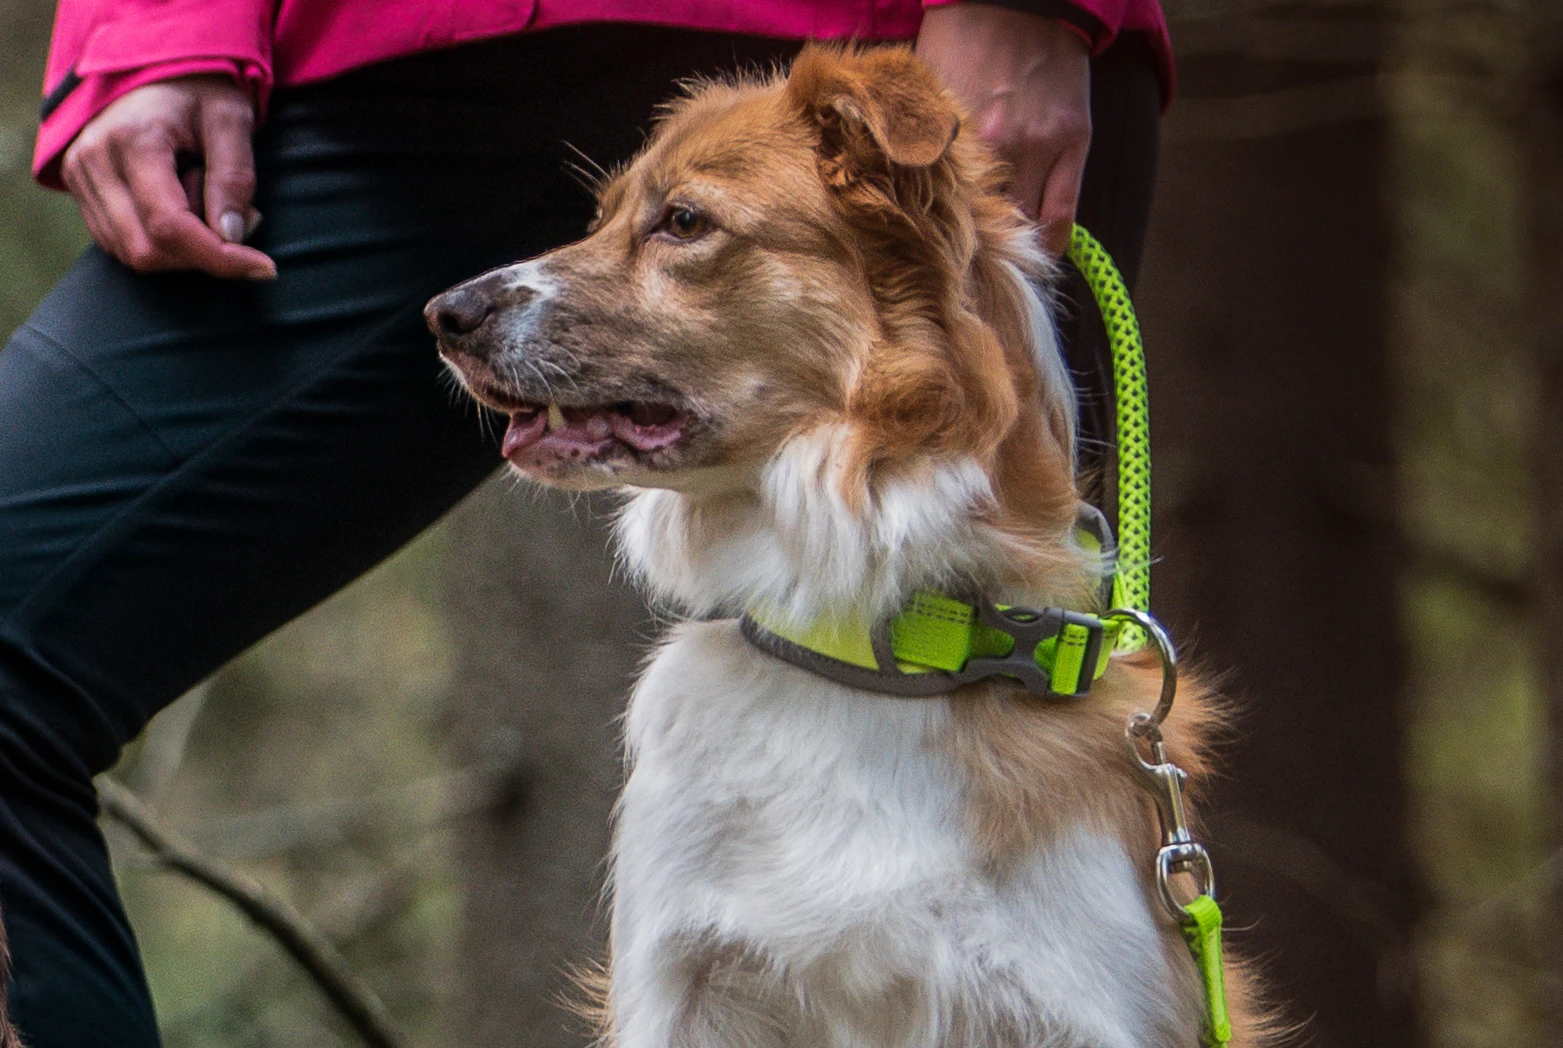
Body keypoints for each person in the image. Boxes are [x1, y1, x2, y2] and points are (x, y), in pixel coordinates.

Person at [0, 1, 1172, 1044]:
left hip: (910, 42)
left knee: (996, 589)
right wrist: (159, 23)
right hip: (393, 59)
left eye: (675, 235)